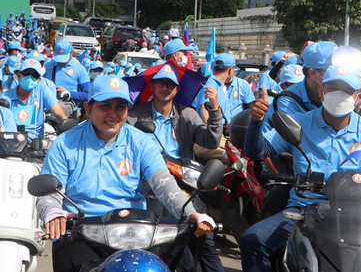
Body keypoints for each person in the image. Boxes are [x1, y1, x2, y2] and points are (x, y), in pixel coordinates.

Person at [37, 75, 215, 272]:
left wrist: (192, 213)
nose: (113, 114)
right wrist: (53, 213)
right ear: (88, 108)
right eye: (105, 106)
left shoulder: (141, 142)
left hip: (134, 230)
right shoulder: (65, 143)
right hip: (81, 231)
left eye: (120, 107)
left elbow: (164, 184)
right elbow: (49, 192)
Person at [239, 65, 361, 272]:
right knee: (252, 240)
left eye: (346, 90)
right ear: (321, 91)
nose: (339, 94)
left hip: (359, 218)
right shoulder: (299, 122)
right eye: (332, 88)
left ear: (357, 96)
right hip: (304, 211)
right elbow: (258, 151)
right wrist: (256, 122)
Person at [127, 64, 224, 272]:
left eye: (170, 84)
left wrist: (214, 109)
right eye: (160, 83)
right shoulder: (135, 116)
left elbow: (211, 141)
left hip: (183, 185)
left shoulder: (187, 115)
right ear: (151, 86)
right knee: (146, 243)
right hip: (146, 187)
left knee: (205, 240)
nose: (165, 87)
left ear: (177, 89)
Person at [5, 58, 66, 138]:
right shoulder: (5, 96)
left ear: (39, 80)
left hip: (37, 145)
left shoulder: (42, 90)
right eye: (27, 73)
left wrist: (67, 126)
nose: (30, 78)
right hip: (11, 143)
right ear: (19, 76)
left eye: (34, 75)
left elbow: (60, 114)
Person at [43, 39, 90, 105]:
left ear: (71, 53)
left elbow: (88, 94)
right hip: (48, 108)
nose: (61, 62)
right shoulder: (47, 66)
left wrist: (68, 93)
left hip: (69, 110)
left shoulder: (79, 69)